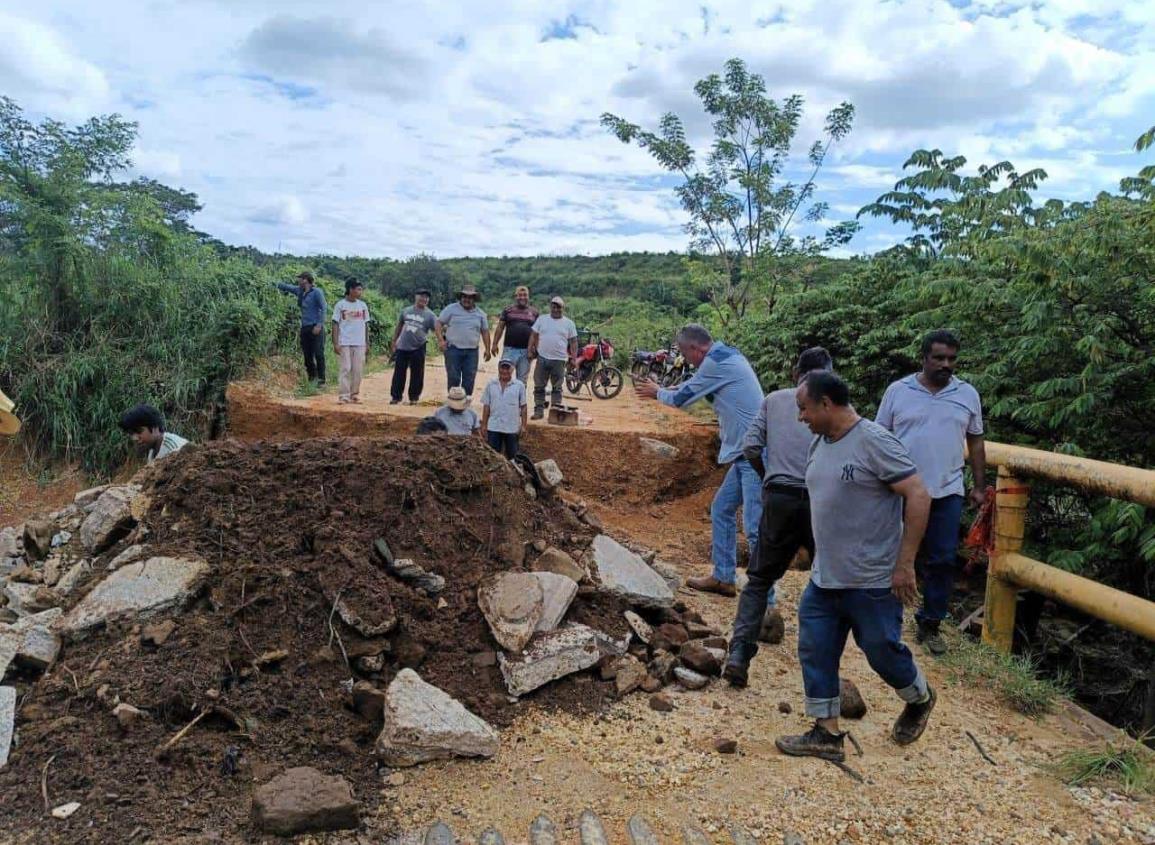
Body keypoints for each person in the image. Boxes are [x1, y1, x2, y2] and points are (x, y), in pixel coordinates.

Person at [775, 371, 935, 763]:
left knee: (881, 651)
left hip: (872, 579)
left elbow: (918, 494)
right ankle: (825, 734)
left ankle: (919, 697)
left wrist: (906, 563)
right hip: (825, 577)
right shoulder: (820, 443)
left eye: (804, 408)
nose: (801, 417)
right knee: (815, 649)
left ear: (826, 404)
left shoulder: (874, 441)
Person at [724, 347, 833, 688]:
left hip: (781, 497)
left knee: (759, 580)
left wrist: (769, 476)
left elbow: (750, 447)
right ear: (830, 373)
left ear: (795, 373)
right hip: (822, 501)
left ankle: (739, 655)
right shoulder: (836, 406)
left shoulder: (774, 400)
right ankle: (823, 668)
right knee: (828, 581)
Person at [876, 329, 986, 656]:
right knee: (890, 551)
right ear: (923, 358)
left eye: (952, 359)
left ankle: (930, 622)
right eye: (939, 358)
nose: (946, 364)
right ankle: (882, 616)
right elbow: (880, 437)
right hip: (901, 488)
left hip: (947, 490)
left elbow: (976, 440)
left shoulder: (967, 395)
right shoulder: (898, 391)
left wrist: (979, 486)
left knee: (942, 558)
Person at [635, 324, 763, 597]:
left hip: (755, 453)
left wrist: (657, 392)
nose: (686, 359)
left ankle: (766, 599)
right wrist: (665, 387)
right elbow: (692, 384)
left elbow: (682, 398)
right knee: (722, 509)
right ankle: (723, 577)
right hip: (745, 453)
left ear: (695, 348)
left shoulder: (716, 363)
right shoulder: (725, 355)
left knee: (754, 526)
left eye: (684, 353)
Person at [435, 284, 491, 398]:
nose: (467, 299)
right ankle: (453, 402)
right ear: (461, 297)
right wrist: (441, 340)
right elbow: (438, 323)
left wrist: (488, 349)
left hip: (472, 352)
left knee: (469, 378)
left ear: (474, 299)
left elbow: (485, 331)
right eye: (464, 296)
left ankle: (465, 403)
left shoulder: (481, 314)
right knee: (453, 377)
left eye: (470, 297)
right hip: (453, 350)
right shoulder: (451, 309)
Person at [527, 296, 578, 420]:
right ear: (551, 307)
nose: (556, 309)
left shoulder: (569, 323)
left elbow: (574, 342)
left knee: (557, 388)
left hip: (559, 360)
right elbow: (533, 335)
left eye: (558, 307)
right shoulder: (542, 319)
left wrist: (573, 358)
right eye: (554, 306)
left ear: (563, 308)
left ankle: (555, 413)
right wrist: (530, 349)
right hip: (542, 358)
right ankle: (539, 412)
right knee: (539, 386)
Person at [274, 271, 329, 385]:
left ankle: (321, 380)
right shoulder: (300, 291)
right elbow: (286, 287)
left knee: (318, 353)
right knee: (307, 355)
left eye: (299, 279)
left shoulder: (317, 292)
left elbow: (323, 308)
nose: (298, 281)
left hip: (316, 327)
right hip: (305, 328)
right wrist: (272, 283)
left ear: (305, 280)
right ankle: (312, 379)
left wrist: (319, 325)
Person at [390, 289, 436, 405]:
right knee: (399, 372)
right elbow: (399, 326)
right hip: (402, 346)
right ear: (416, 297)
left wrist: (442, 340)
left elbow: (437, 329)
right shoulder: (406, 311)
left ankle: (414, 397)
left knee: (417, 373)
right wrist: (394, 341)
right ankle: (396, 397)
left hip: (419, 347)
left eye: (426, 297)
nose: (424, 299)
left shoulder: (430, 315)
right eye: (421, 296)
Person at [331, 279, 371, 404]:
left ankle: (354, 394)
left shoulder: (362, 305)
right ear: (350, 290)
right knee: (346, 368)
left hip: (359, 342)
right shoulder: (340, 305)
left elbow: (366, 325)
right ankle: (344, 395)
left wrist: (367, 342)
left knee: (357, 369)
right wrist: (335, 343)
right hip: (345, 341)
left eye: (360, 289)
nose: (360, 291)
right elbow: (335, 324)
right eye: (358, 289)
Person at [480, 358, 528, 458]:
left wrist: (523, 426)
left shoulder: (519, 386)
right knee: (493, 456)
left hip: (511, 428)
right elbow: (486, 406)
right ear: (498, 368)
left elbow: (523, 407)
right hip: (494, 426)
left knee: (513, 457)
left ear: (512, 369)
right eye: (502, 368)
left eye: (507, 368)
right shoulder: (491, 385)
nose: (505, 371)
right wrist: (484, 425)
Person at [491, 286, 539, 384]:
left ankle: (520, 399)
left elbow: (537, 333)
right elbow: (500, 327)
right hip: (509, 350)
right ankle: (502, 399)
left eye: (525, 295)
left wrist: (536, 349)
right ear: (515, 296)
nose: (522, 297)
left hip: (526, 352)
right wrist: (495, 344)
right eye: (520, 295)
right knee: (504, 378)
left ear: (528, 297)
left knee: (522, 381)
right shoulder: (508, 310)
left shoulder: (534, 312)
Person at [118, 404, 189, 463]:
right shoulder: (153, 451)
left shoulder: (176, 450)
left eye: (139, 431)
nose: (134, 438)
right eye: (131, 433)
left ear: (155, 428)